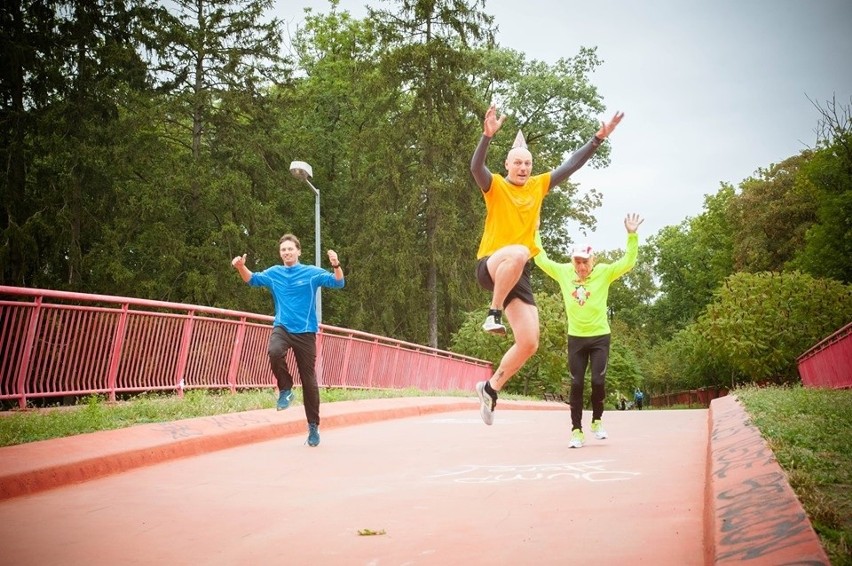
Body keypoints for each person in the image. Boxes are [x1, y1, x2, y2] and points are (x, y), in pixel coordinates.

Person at [470, 103, 624, 425]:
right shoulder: (495, 186)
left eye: (528, 163)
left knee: (529, 341)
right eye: (518, 163)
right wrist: (486, 137)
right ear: (507, 164)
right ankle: (493, 313)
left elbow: (571, 165)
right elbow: (476, 169)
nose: (523, 168)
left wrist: (598, 138)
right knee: (519, 252)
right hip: (492, 265)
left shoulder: (539, 185)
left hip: (518, 272)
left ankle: (491, 387)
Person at [533, 213, 643, 448]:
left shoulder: (604, 272)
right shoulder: (564, 273)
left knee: (598, 380)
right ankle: (576, 430)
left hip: (600, 336)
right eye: (578, 262)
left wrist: (632, 235)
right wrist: (535, 230)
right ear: (573, 262)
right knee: (576, 384)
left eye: (585, 261)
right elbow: (540, 259)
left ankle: (597, 421)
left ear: (592, 260)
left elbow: (628, 262)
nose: (581, 266)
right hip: (576, 338)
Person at [231, 234, 344, 447]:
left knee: (308, 380)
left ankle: (313, 427)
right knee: (274, 351)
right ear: (280, 253)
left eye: (290, 249)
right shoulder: (274, 273)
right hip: (282, 326)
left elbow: (338, 282)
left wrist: (336, 265)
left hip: (306, 331)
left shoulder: (311, 273)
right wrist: (240, 267)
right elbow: (252, 279)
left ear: (298, 251)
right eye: (283, 250)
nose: (287, 252)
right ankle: (285, 389)